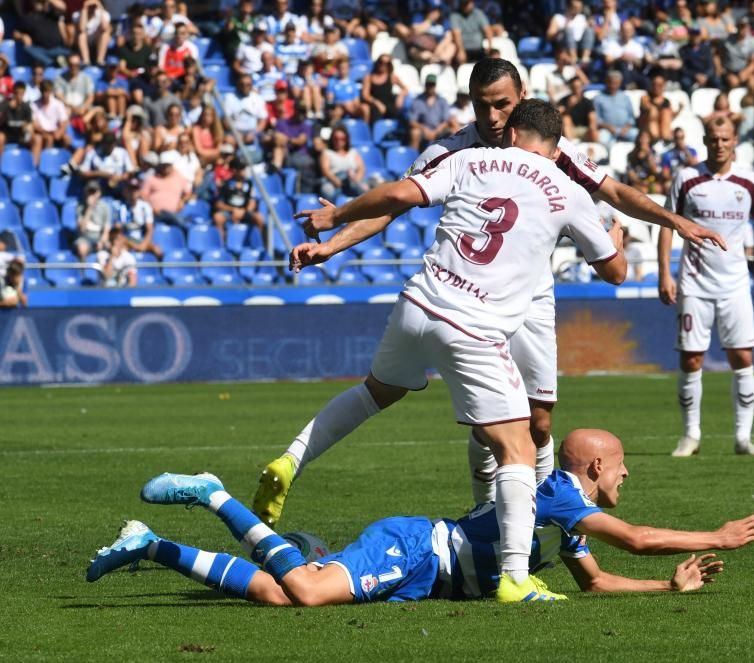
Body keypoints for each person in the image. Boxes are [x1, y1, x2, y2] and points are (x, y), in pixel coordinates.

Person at [255, 58, 724, 538]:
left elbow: (614, 191)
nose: (494, 116)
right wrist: (332, 245)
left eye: (503, 104)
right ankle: (494, 526)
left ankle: (542, 522)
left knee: (538, 422)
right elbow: (393, 204)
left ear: (521, 97)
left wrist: (675, 220)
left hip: (531, 296)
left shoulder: (553, 152)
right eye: (483, 106)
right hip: (475, 299)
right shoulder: (453, 149)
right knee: (499, 424)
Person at [256, 100, 626, 603]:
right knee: (518, 446)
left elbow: (395, 194)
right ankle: (516, 576)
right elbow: (615, 272)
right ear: (555, 145)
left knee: (374, 393)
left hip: (417, 303)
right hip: (472, 326)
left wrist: (334, 216)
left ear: (513, 133)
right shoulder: (566, 188)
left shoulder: (468, 159)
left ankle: (290, 459)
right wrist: (616, 238)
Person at [87, 429, 754, 604]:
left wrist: (668, 589)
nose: (628, 474)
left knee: (274, 591)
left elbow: (594, 582)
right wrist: (716, 536)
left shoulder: (559, 515)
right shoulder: (559, 489)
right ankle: (213, 493)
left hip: (424, 574)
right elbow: (636, 538)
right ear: (595, 468)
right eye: (622, 465)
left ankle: (152, 547)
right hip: (417, 548)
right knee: (304, 590)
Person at [657, 116, 754, 458]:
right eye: (713, 139)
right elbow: (666, 224)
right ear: (705, 142)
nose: (719, 144)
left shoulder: (748, 181)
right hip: (694, 283)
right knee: (692, 359)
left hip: (735, 283)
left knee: (742, 356)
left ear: (734, 141)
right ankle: (690, 435)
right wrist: (665, 272)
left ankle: (743, 437)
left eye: (725, 139)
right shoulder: (687, 178)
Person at [212, 158, 263, 243]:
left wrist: (244, 212)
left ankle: (258, 243)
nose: (243, 171)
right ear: (234, 170)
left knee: (259, 218)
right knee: (218, 217)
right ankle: (221, 244)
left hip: (244, 211)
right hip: (229, 211)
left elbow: (252, 201)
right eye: (241, 168)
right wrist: (233, 210)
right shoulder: (226, 184)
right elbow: (218, 204)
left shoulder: (249, 183)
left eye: (244, 168)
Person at [116, 178, 160, 259]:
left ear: (139, 191)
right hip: (127, 240)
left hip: (141, 239)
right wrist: (131, 244)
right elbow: (118, 230)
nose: (133, 192)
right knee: (119, 249)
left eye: (136, 189)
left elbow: (150, 229)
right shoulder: (121, 208)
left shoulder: (145, 207)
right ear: (127, 191)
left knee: (157, 250)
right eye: (131, 189)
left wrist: (144, 244)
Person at [30, 79, 70, 165]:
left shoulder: (58, 104)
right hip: (41, 132)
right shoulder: (34, 105)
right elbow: (34, 123)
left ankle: (64, 163)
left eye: (47, 91)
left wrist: (59, 132)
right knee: (45, 139)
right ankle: (41, 164)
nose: (45, 94)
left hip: (54, 132)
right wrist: (46, 132)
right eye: (43, 91)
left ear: (51, 91)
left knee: (67, 139)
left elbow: (64, 121)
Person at [593, 71, 636, 147]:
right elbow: (597, 119)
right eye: (610, 82)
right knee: (602, 139)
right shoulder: (598, 98)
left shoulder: (625, 97)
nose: (613, 86)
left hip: (625, 130)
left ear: (620, 83)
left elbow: (631, 117)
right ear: (606, 82)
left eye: (616, 83)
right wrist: (609, 127)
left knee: (637, 135)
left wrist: (626, 128)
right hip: (607, 130)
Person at [408, 75, 451, 150]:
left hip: (439, 130)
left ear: (435, 85)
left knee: (452, 131)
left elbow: (446, 120)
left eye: (432, 85)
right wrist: (424, 128)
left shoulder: (442, 101)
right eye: (428, 84)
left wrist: (437, 131)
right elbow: (412, 121)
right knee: (414, 133)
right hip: (423, 130)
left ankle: (451, 157)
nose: (430, 87)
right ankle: (413, 158)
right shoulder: (417, 101)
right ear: (425, 85)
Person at [74, 181, 113, 261]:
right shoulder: (80, 207)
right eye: (90, 192)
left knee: (111, 247)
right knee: (82, 248)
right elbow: (82, 230)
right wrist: (89, 208)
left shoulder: (105, 207)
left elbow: (106, 230)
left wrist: (102, 241)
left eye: (94, 191)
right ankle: (83, 272)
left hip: (99, 237)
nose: (92, 194)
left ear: (99, 193)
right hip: (85, 238)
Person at [450, 0, 492, 66]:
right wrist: (460, 51)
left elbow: (487, 30)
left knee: (492, 60)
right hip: (464, 49)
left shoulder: (479, 13)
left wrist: (490, 46)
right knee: (460, 59)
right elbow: (456, 34)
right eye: (464, 4)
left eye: (468, 3)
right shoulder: (455, 15)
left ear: (472, 2)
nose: (466, 6)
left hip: (479, 49)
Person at [0, 81, 33, 156]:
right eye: (17, 93)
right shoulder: (5, 104)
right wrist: (7, 109)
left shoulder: (26, 107)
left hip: (20, 135)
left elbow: (30, 124)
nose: (19, 96)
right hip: (7, 134)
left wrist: (26, 128)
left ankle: (32, 164)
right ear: (13, 93)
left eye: (21, 94)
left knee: (34, 137)